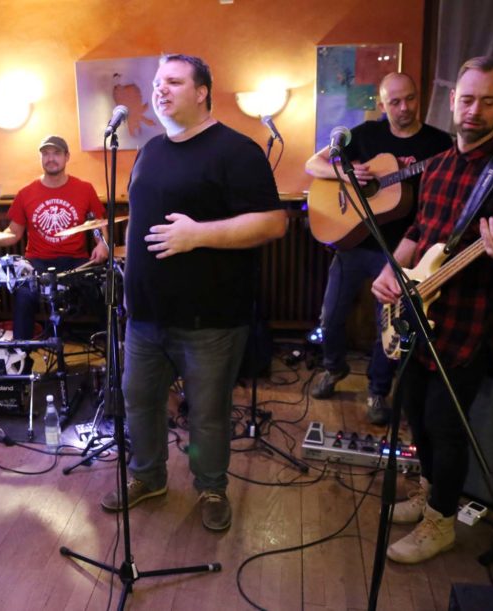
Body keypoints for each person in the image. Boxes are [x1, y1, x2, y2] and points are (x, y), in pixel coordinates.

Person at [99, 54, 288, 531]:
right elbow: (139, 224)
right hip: (145, 315)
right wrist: (130, 286)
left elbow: (273, 223)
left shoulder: (236, 151)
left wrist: (198, 235)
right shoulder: (149, 151)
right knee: (139, 401)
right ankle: (148, 476)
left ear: (202, 92)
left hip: (211, 319)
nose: (160, 90)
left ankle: (210, 486)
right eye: (157, 83)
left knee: (207, 414)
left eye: (173, 82)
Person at [371, 57, 493, 564]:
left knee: (446, 427)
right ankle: (428, 495)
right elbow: (421, 230)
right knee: (416, 417)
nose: (474, 110)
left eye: (488, 101)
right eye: (467, 99)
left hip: (469, 323)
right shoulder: (439, 165)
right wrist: (392, 269)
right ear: (451, 100)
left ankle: (441, 522)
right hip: (420, 315)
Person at [304, 73, 452, 425]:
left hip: (401, 250)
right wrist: (345, 173)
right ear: (383, 104)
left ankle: (377, 390)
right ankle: (333, 367)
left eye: (410, 99)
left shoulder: (440, 143)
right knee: (330, 316)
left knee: (387, 327)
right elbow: (312, 164)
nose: (404, 108)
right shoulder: (366, 134)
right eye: (395, 102)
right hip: (353, 243)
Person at [0, 135, 108, 340]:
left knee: (102, 291)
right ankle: (21, 351)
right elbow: (13, 233)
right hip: (38, 262)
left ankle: (112, 347)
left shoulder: (84, 189)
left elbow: (98, 223)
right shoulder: (25, 193)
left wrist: (102, 244)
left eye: (56, 153)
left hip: (76, 261)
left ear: (67, 157)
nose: (51, 158)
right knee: (24, 294)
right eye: (46, 154)